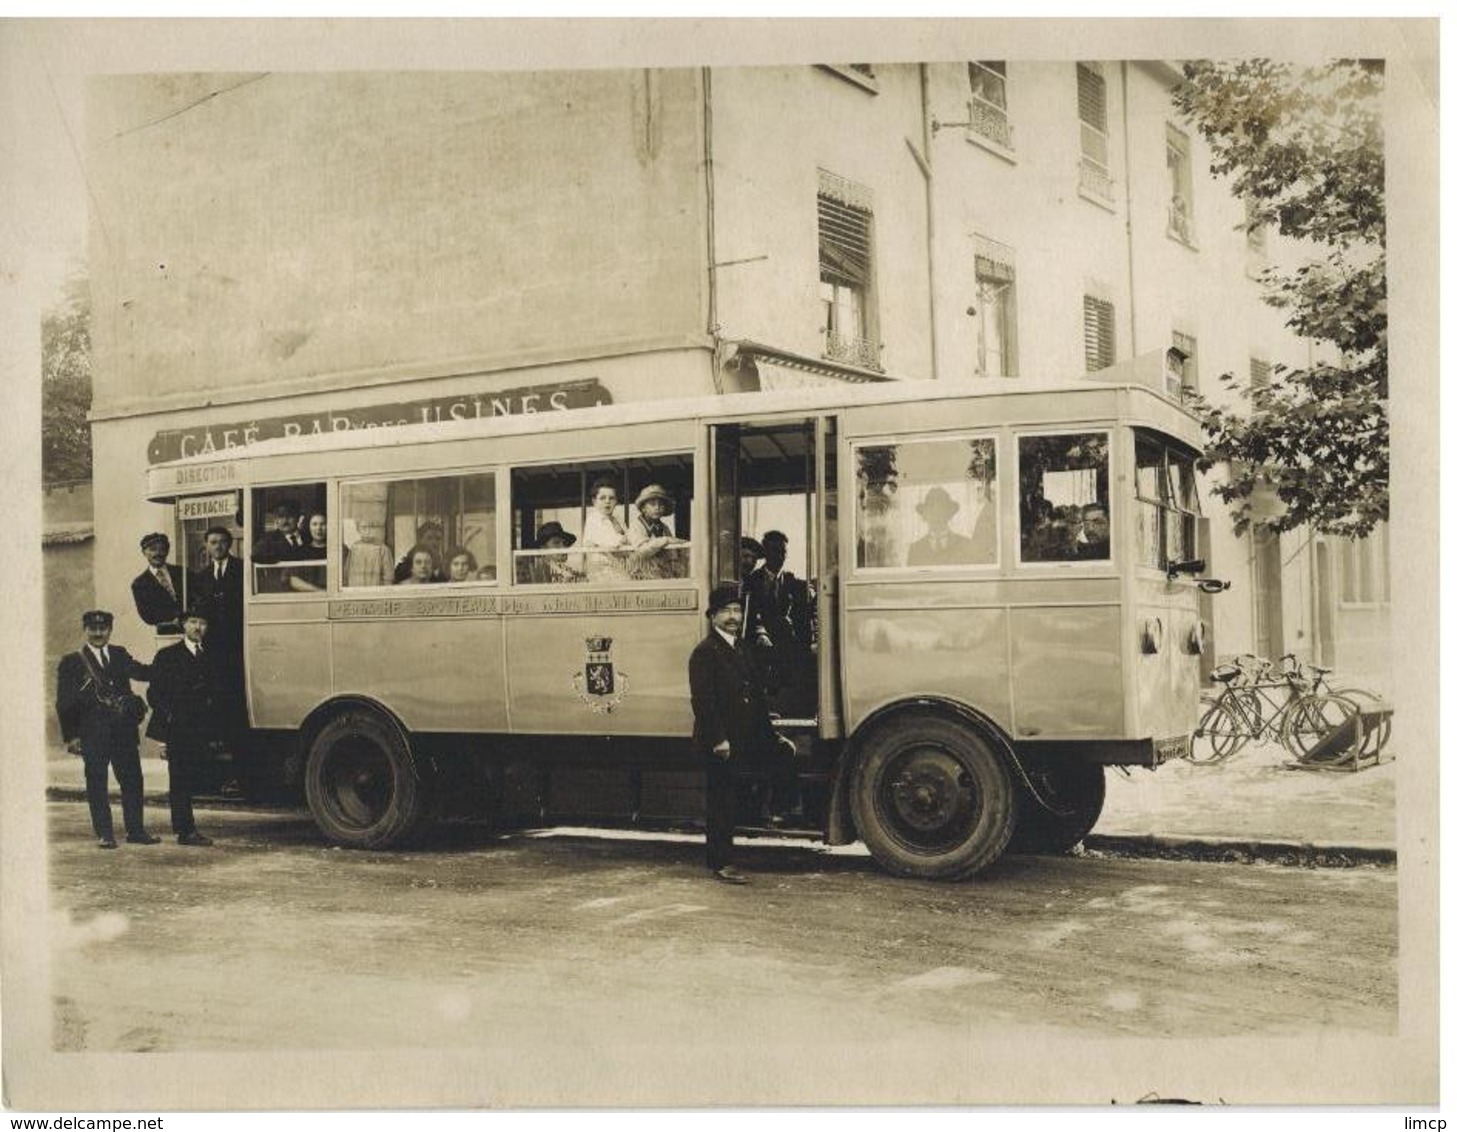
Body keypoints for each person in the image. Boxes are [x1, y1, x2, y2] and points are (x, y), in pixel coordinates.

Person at [688, 585, 790, 885]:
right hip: (720, 740)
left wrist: (769, 733)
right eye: (726, 611)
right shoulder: (705, 652)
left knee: (769, 769)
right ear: (712, 616)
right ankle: (720, 862)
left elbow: (754, 694)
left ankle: (759, 827)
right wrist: (718, 739)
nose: (733, 617)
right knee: (721, 800)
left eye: (737, 610)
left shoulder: (742, 647)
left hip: (745, 735)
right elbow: (703, 703)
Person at [55, 610, 158, 849]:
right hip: (93, 734)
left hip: (123, 732)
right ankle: (105, 834)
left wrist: (167, 659)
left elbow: (142, 672)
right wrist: (71, 736)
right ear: (85, 630)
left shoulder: (119, 654)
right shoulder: (71, 662)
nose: (98, 633)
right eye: (93, 628)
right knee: (97, 783)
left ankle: (136, 831)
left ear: (110, 630)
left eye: (103, 628)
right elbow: (64, 702)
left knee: (132, 781)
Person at [145, 608, 219, 846]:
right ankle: (185, 831)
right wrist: (165, 731)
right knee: (180, 780)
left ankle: (188, 827)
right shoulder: (167, 656)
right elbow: (155, 693)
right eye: (193, 622)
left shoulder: (210, 655)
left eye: (202, 623)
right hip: (178, 727)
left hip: (202, 728)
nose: (198, 628)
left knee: (193, 778)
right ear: (184, 626)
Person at [189, 526, 247, 794]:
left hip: (239, 649)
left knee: (238, 711)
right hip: (213, 652)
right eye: (213, 542)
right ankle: (216, 777)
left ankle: (242, 775)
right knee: (216, 710)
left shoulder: (243, 569)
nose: (219, 547)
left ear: (231, 544)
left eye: (223, 542)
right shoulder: (200, 577)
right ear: (206, 546)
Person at [742, 529, 814, 716]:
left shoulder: (793, 582)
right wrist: (761, 634)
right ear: (765, 553)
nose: (779, 556)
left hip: (785, 642)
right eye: (774, 551)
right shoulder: (751, 581)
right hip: (758, 639)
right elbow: (751, 615)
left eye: (782, 552)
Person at [905, 486, 994, 567]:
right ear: (925, 516)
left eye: (941, 510)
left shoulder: (967, 546)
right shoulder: (915, 550)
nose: (936, 516)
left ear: (949, 514)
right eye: (932, 511)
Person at [627, 483, 688, 579]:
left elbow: (673, 553)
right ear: (643, 508)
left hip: (661, 575)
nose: (657, 508)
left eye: (661, 505)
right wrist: (665, 540)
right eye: (652, 504)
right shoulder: (636, 526)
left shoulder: (664, 528)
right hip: (641, 576)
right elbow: (642, 550)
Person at [130, 532, 185, 634]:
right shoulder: (140, 584)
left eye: (162, 549)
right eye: (152, 549)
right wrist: (172, 622)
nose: (158, 553)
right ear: (144, 552)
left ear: (167, 551)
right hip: (165, 635)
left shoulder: (183, 573)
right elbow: (147, 616)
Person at [581, 479, 632, 581]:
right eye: (602, 498)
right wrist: (622, 540)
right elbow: (611, 543)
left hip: (619, 569)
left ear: (616, 501)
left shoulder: (618, 520)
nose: (607, 501)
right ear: (594, 501)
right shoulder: (593, 519)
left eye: (611, 498)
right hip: (601, 572)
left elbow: (630, 542)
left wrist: (625, 541)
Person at [252, 500, 307, 592]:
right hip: (281, 589)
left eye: (290, 516)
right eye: (281, 517)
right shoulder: (268, 539)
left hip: (307, 587)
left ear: (297, 518)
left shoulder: (307, 536)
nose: (285, 521)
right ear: (276, 520)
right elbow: (255, 555)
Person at [344, 516, 394, 588]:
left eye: (371, 527)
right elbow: (346, 574)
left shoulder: (382, 549)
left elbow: (388, 578)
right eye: (364, 527)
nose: (368, 531)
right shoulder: (354, 548)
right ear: (358, 529)